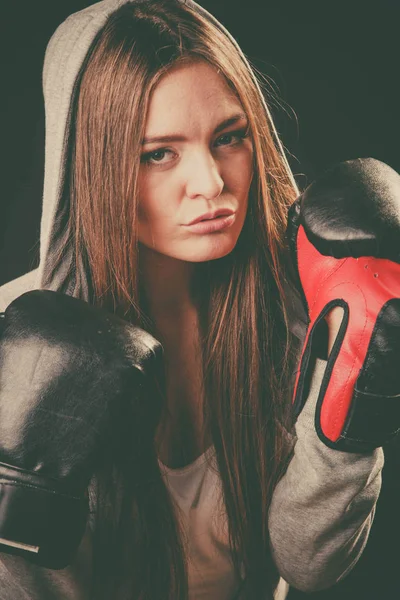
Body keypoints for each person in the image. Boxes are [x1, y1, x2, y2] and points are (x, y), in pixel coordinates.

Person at [0, 1, 390, 599]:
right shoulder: (16, 348)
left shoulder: (297, 310)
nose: (211, 183)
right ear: (95, 165)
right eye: (159, 153)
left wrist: (351, 411)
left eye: (229, 138)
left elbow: (308, 563)